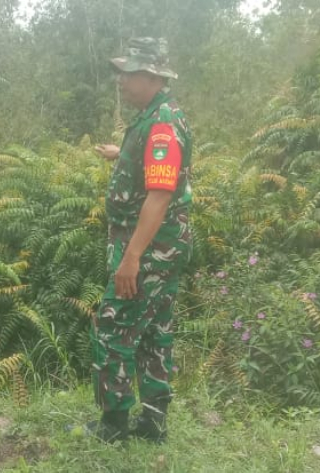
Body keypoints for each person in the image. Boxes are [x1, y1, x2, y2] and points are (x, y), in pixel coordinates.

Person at [85, 37, 192, 443]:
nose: (120, 81)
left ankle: (113, 427)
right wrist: (123, 152)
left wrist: (131, 258)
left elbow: (161, 195)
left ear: (149, 76)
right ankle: (152, 424)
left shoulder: (162, 122)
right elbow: (154, 164)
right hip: (163, 248)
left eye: (127, 73)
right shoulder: (154, 117)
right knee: (153, 332)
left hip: (149, 250)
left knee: (113, 329)